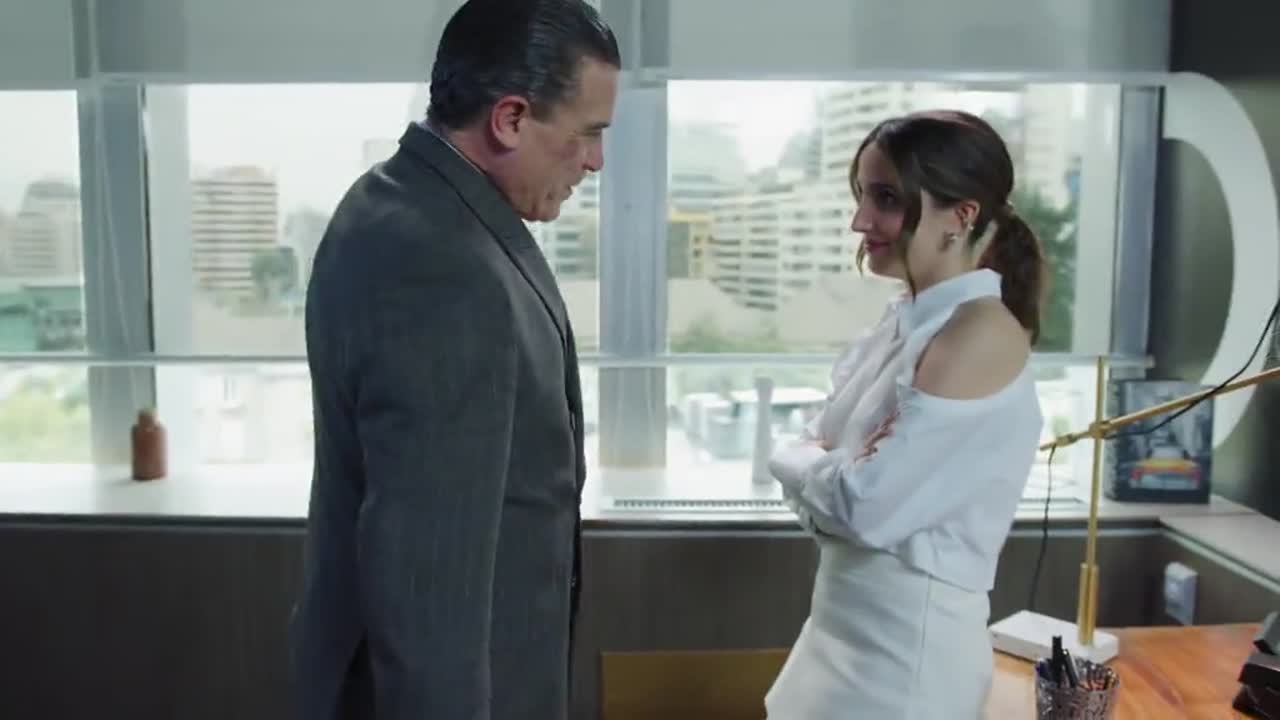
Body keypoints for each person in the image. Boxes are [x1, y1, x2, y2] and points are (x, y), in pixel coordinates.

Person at [291, 1, 619, 717]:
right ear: (510, 119)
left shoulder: (403, 200)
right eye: (589, 133)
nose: (596, 161)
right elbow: (426, 578)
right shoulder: (441, 263)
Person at [765, 110, 1048, 719]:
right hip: (836, 648)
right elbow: (845, 500)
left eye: (887, 199)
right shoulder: (906, 323)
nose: (860, 221)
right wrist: (825, 474)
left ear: (961, 216)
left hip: (904, 673)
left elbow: (862, 508)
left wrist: (796, 462)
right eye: (862, 196)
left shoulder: (978, 334)